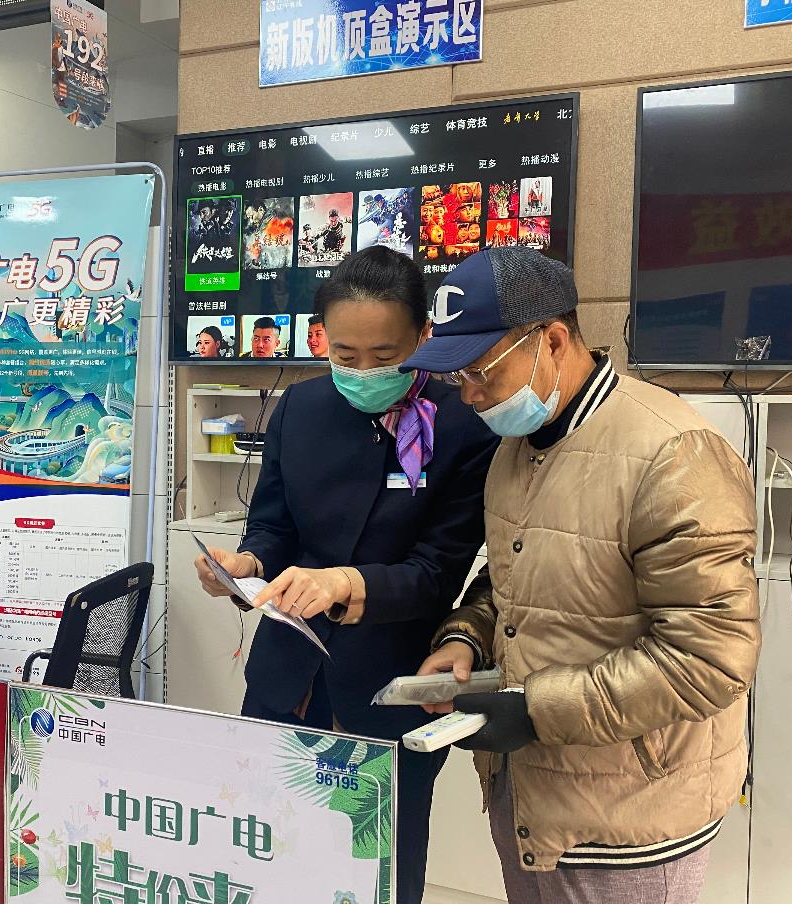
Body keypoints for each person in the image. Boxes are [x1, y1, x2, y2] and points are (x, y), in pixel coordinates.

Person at [404, 247, 761, 904]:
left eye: (481, 371)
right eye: (457, 376)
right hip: (533, 794)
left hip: (633, 812)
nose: (470, 395)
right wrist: (465, 638)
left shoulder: (671, 454)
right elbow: (513, 575)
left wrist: (535, 710)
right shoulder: (515, 447)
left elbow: (709, 659)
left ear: (552, 340)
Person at [194, 246, 498, 904]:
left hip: (390, 684)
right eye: (344, 354)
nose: (362, 372)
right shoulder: (299, 408)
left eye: (384, 356)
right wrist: (246, 564)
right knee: (268, 848)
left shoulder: (464, 425)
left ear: (423, 335)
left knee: (379, 866)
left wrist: (345, 584)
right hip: (288, 676)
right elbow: (273, 526)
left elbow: (435, 573)